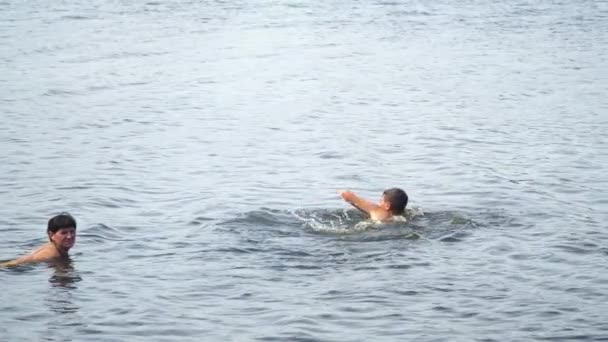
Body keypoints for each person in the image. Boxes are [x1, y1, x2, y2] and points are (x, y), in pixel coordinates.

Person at [0, 213, 77, 267]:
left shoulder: (52, 247)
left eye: (72, 232)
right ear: (51, 234)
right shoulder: (52, 254)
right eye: (64, 233)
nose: (69, 236)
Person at [340, 188, 408, 222]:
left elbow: (347, 195)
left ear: (387, 205)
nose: (379, 202)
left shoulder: (377, 210)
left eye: (381, 200)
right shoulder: (404, 216)